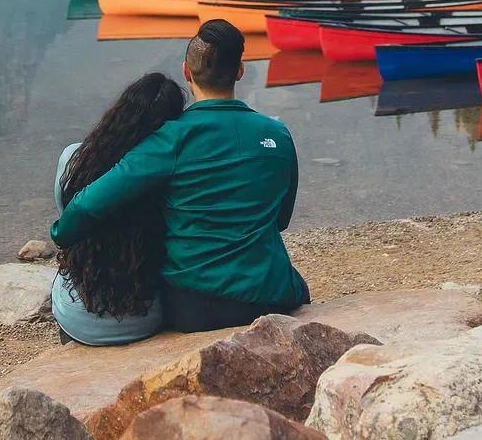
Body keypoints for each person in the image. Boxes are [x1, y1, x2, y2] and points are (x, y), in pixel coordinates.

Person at [51, 18, 308, 332]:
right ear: (239, 72)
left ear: (187, 72)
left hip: (198, 306)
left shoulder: (170, 139)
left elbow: (89, 203)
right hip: (274, 294)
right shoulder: (278, 135)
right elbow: (280, 220)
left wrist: (60, 234)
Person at [50, 71, 188, 345]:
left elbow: (66, 221)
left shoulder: (74, 160)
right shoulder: (174, 174)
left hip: (79, 317)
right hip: (149, 317)